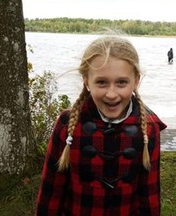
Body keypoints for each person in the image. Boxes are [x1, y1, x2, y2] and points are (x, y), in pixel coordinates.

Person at [35, 36, 167, 216]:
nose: (111, 94)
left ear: (136, 80)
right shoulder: (68, 125)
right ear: (86, 81)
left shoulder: (148, 128)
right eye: (102, 82)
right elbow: (51, 193)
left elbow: (149, 196)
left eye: (121, 82)